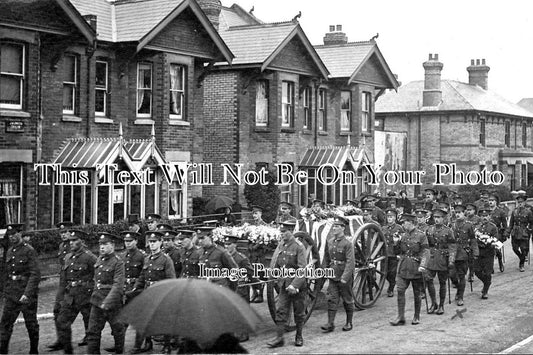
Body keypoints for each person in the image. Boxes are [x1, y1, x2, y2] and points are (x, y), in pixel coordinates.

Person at [130, 231, 176, 353]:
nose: (152, 244)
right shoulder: (147, 259)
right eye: (150, 242)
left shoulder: (166, 260)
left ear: (160, 242)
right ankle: (148, 343)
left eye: (154, 242)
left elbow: (171, 279)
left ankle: (167, 345)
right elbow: (142, 276)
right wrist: (136, 287)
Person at [49, 221, 91, 351]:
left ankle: (89, 336)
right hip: (67, 287)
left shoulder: (86, 254)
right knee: (58, 312)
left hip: (83, 290)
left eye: (65, 232)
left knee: (87, 314)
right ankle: (62, 340)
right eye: (61, 233)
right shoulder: (63, 248)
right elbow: (64, 270)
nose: (63, 235)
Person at [0, 224, 40, 354]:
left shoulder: (29, 250)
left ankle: (34, 350)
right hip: (12, 293)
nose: (12, 237)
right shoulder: (10, 250)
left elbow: (35, 274)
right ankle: (3, 349)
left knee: (31, 324)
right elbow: (6, 273)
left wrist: (27, 293)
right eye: (10, 235)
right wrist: (5, 291)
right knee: (5, 323)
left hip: (25, 293)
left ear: (20, 234)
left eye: (14, 234)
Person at [57, 229, 97, 354]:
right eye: (70, 241)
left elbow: (98, 275)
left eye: (74, 240)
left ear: (82, 242)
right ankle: (68, 351)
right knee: (62, 322)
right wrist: (60, 297)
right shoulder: (68, 257)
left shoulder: (90, 257)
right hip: (70, 296)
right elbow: (63, 279)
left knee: (91, 327)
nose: (71, 243)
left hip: (86, 296)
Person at [267, 220, 307, 348]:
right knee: (281, 310)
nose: (282, 234)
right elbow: (278, 264)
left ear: (291, 231)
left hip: (297, 287)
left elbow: (302, 269)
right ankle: (279, 338)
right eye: (281, 231)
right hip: (284, 285)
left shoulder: (299, 246)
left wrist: (294, 285)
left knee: (299, 311)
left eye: (285, 232)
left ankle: (299, 336)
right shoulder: (281, 246)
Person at [87, 233, 125, 354]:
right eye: (100, 244)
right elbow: (96, 280)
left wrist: (107, 302)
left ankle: (119, 351)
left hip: (112, 303)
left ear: (112, 245)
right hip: (97, 301)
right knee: (92, 331)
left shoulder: (118, 262)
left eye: (105, 244)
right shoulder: (99, 259)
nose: (101, 247)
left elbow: (118, 285)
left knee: (117, 329)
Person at [390, 214, 428, 326]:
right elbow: (397, 252)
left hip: (415, 267)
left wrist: (423, 265)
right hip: (403, 267)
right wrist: (396, 243)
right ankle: (400, 317)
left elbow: (426, 252)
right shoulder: (403, 236)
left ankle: (416, 316)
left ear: (411, 222)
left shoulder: (421, 236)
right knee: (400, 290)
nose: (403, 224)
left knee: (417, 293)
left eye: (404, 222)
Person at [321, 217, 356, 332]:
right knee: (332, 299)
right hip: (333, 274)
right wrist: (327, 271)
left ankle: (349, 322)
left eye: (337, 226)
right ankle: (330, 323)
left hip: (344, 275)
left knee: (347, 299)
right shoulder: (330, 241)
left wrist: (345, 278)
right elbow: (327, 258)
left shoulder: (347, 243)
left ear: (343, 228)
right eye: (334, 226)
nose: (334, 228)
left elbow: (350, 262)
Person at [424, 208, 456, 315]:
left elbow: (452, 246)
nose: (437, 220)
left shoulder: (448, 231)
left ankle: (441, 305)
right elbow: (426, 245)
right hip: (432, 257)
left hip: (443, 258)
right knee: (428, 279)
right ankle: (434, 303)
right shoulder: (429, 230)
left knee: (442, 282)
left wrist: (451, 260)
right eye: (435, 217)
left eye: (439, 217)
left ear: (443, 218)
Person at [119, 231, 145, 353]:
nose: (127, 244)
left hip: (138, 291)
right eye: (126, 241)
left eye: (130, 241)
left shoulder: (142, 256)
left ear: (136, 241)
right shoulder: (122, 256)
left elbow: (145, 275)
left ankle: (138, 346)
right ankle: (119, 345)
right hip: (125, 290)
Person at [451, 205, 479, 306]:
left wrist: (475, 252)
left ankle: (460, 296)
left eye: (460, 212)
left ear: (464, 213)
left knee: (461, 276)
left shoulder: (468, 225)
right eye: (456, 212)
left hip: (463, 253)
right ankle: (458, 289)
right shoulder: (452, 225)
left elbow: (473, 239)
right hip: (452, 253)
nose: (457, 214)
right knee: (452, 275)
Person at [475, 208, 500, 299]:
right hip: (478, 252)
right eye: (482, 216)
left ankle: (485, 291)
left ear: (489, 216)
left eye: (486, 216)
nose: (484, 217)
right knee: (477, 271)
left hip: (488, 252)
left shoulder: (493, 227)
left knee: (488, 273)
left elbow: (495, 240)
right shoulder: (476, 227)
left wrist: (488, 241)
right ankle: (487, 282)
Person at [508, 191, 533, 272]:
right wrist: (508, 232)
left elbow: (531, 222)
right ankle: (521, 257)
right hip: (515, 232)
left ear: (524, 202)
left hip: (524, 232)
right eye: (518, 202)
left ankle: (521, 264)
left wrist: (530, 229)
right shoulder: (514, 211)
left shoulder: (528, 212)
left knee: (523, 249)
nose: (520, 203)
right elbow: (511, 223)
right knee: (514, 248)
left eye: (521, 202)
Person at [249, 205, 268, 303]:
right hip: (252, 253)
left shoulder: (264, 225)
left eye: (256, 213)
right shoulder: (252, 226)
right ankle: (254, 293)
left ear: (260, 214)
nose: (254, 215)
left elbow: (266, 239)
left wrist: (257, 245)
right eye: (253, 213)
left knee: (260, 273)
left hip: (260, 253)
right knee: (251, 272)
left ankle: (260, 294)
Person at [383, 208, 403, 297]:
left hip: (394, 253)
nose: (389, 219)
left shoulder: (399, 228)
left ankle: (391, 288)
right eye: (388, 217)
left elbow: (402, 241)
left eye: (391, 217)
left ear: (395, 218)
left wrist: (400, 253)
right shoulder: (383, 228)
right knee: (384, 272)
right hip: (384, 253)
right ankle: (391, 283)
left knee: (392, 272)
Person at [488, 193, 507, 272]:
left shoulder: (500, 212)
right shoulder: (486, 211)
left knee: (497, 250)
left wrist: (505, 233)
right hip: (488, 233)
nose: (490, 202)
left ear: (496, 202)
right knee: (489, 250)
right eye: (489, 200)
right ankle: (491, 267)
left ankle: (500, 263)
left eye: (492, 200)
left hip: (497, 233)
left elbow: (505, 224)